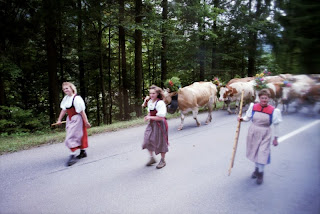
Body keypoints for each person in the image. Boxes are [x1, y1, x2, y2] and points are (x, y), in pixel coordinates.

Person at [238, 89, 282, 184]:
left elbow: (276, 125)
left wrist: (276, 138)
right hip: (253, 132)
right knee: (254, 152)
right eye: (262, 98)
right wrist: (242, 119)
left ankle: (260, 174)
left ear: (269, 99)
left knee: (262, 153)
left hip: (265, 133)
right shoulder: (253, 107)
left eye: (266, 98)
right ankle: (256, 169)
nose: (264, 100)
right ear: (259, 98)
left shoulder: (273, 111)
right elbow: (248, 117)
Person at [57, 82, 91, 166]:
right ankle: (83, 152)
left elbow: (82, 112)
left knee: (71, 136)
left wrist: (86, 122)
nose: (65, 90)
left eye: (67, 88)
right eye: (64, 89)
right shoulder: (66, 99)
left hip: (77, 119)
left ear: (72, 88)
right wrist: (59, 119)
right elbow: (64, 110)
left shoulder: (76, 98)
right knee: (76, 135)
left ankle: (72, 155)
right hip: (70, 119)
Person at [142, 85, 169, 169]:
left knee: (160, 142)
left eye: (153, 93)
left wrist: (150, 117)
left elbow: (161, 117)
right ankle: (152, 158)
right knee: (147, 140)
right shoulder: (150, 102)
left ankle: (163, 160)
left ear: (157, 94)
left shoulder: (160, 103)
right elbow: (150, 112)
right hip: (152, 124)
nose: (151, 95)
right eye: (150, 93)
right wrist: (148, 116)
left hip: (160, 124)